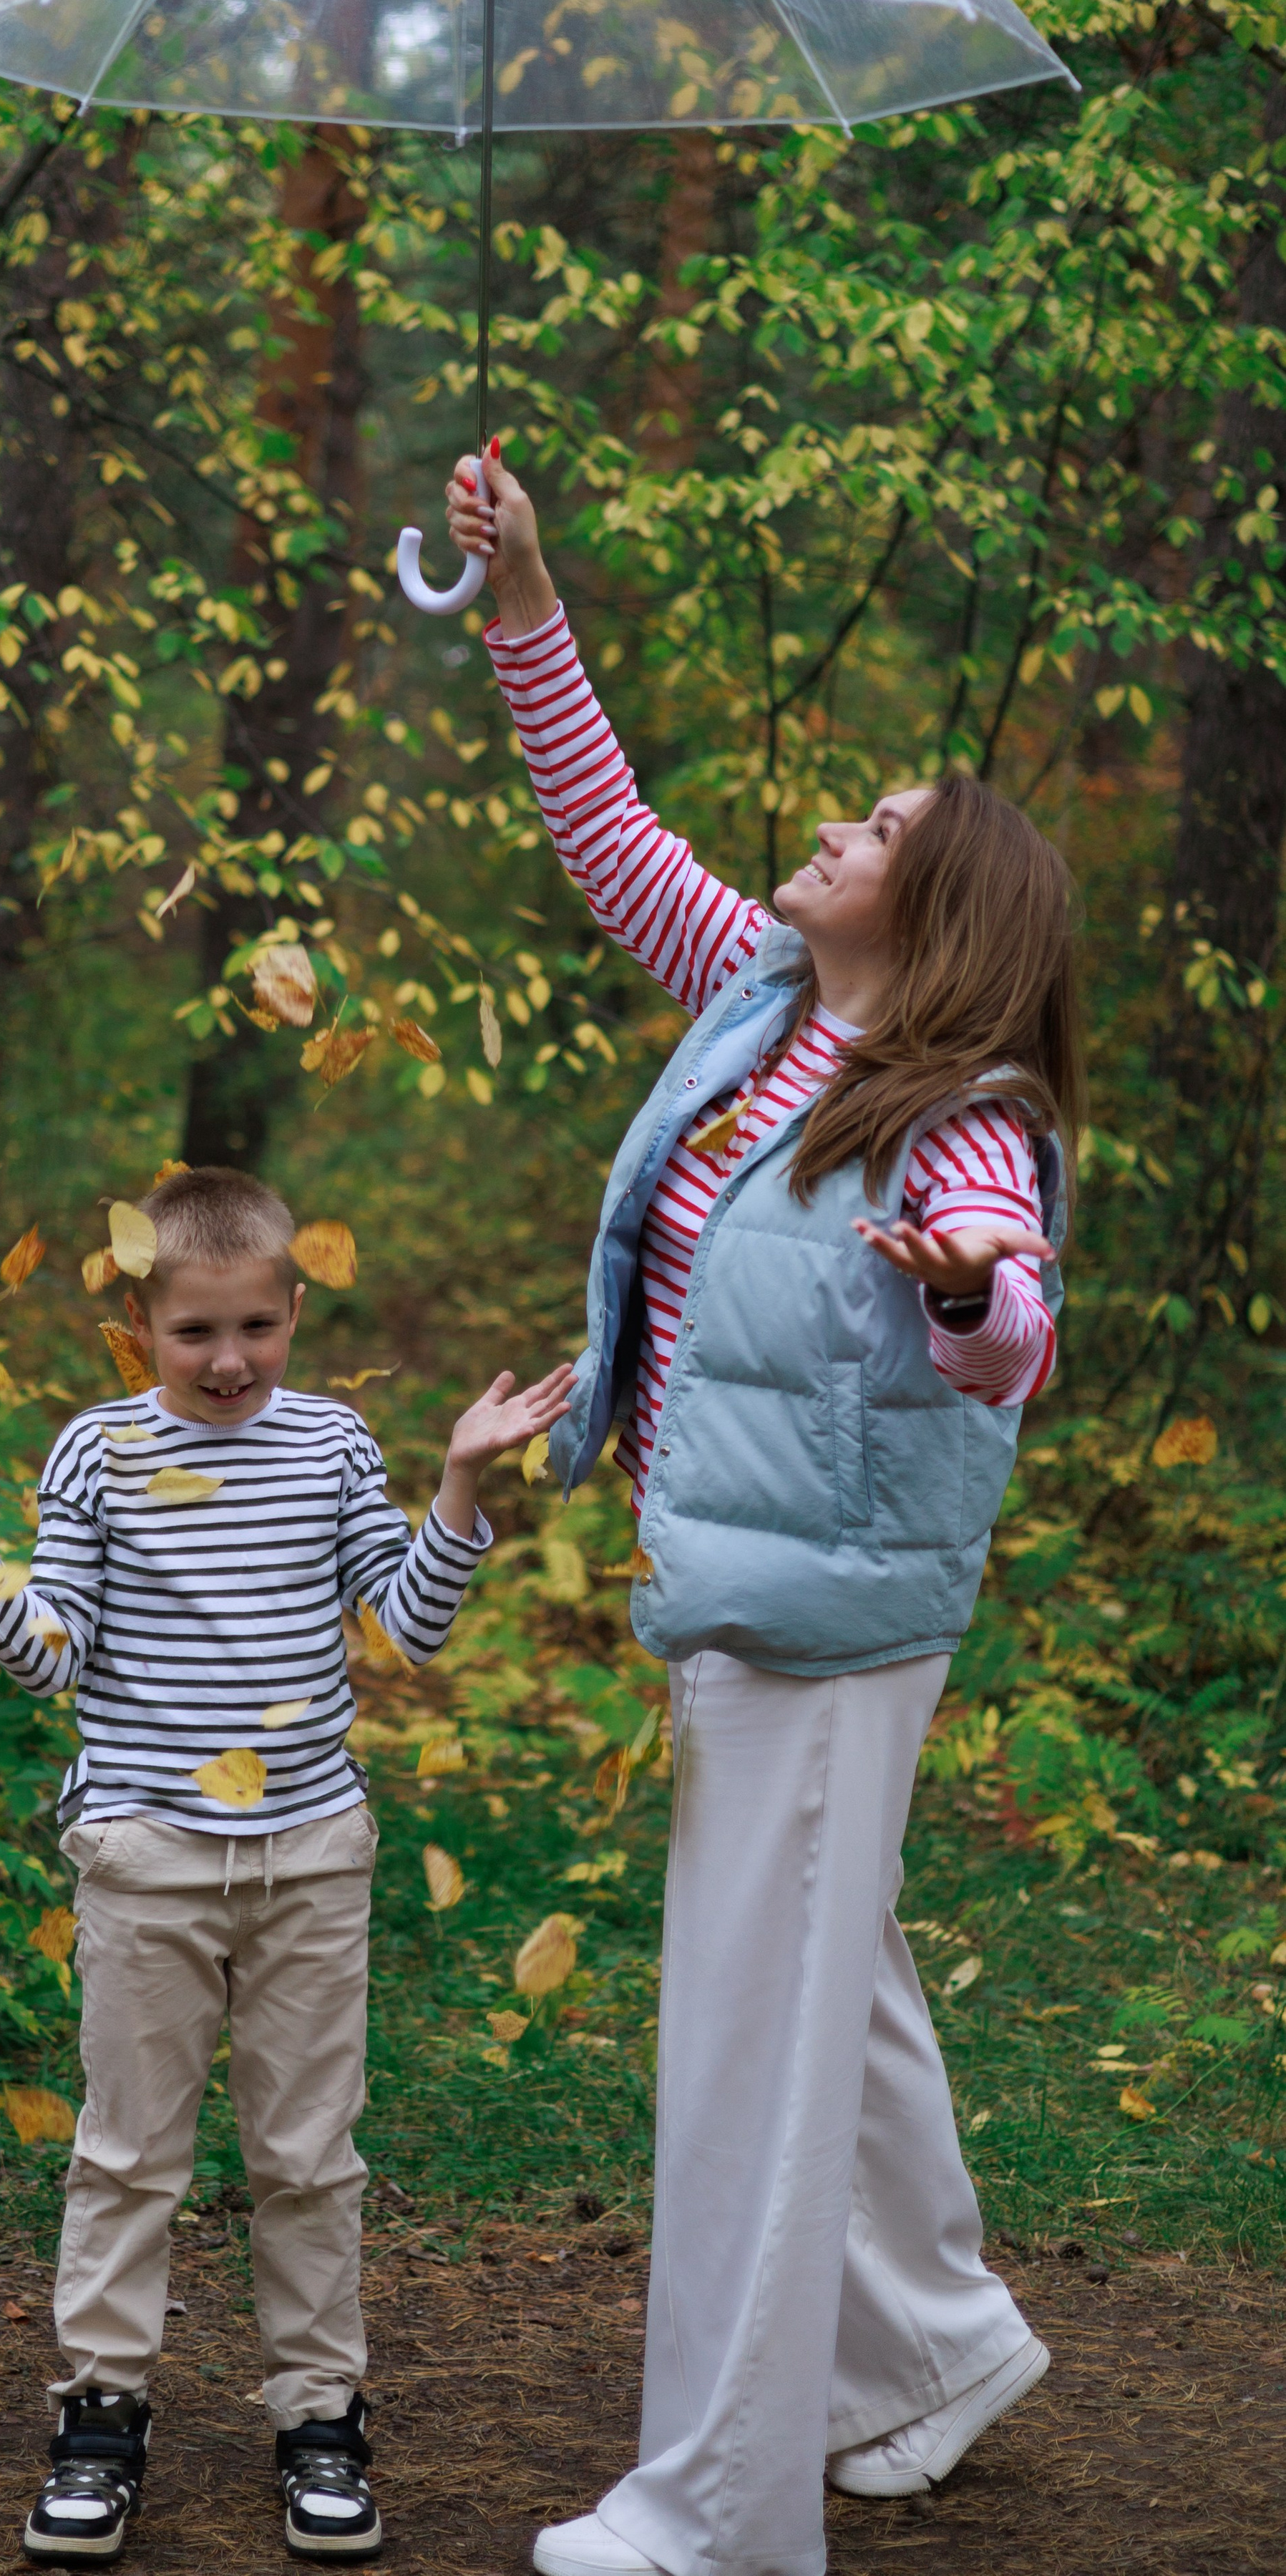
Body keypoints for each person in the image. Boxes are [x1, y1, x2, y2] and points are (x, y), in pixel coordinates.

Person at [444, 449, 1081, 2576]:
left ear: (944, 908)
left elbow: (1013, 1313)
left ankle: (719, 2509)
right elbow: (610, 837)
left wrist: (979, 1295)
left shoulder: (959, 1121)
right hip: (744, 1576)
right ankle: (941, 2340)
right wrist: (525, 599)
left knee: (749, 2043)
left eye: (877, 831)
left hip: (827, 1622)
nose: (831, 829)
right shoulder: (765, 1007)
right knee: (838, 1980)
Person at [0, 1164, 573, 2568]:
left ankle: (319, 2420)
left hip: (308, 1859)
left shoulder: (335, 1447)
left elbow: (408, 1628)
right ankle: (101, 2418)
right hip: (144, 1857)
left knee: (306, 2160)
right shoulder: (96, 1451)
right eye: (194, 1333)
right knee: (124, 2159)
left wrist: (461, 1477)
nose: (228, 1361)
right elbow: (52, 1661)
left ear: (292, 1311)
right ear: (140, 1323)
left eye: (256, 1329)